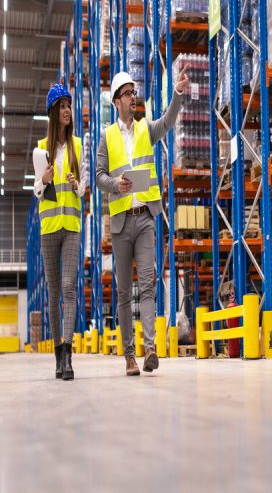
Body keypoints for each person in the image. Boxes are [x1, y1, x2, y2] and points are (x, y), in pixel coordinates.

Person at [96, 68, 190, 376]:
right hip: (121, 224)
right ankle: (129, 357)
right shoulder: (106, 137)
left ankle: (150, 348)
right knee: (125, 293)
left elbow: (167, 123)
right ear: (116, 101)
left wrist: (177, 94)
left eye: (134, 92)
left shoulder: (144, 129)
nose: (133, 97)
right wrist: (114, 185)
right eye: (127, 93)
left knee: (148, 285)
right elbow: (98, 176)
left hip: (146, 218)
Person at [32, 82, 88, 381]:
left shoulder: (79, 146)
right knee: (53, 293)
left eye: (69, 105)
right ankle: (56, 356)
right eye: (62, 106)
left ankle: (68, 354)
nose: (67, 111)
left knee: (69, 286)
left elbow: (83, 190)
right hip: (49, 228)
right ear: (53, 112)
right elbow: (37, 193)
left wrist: (76, 185)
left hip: (72, 228)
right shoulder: (41, 149)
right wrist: (44, 179)